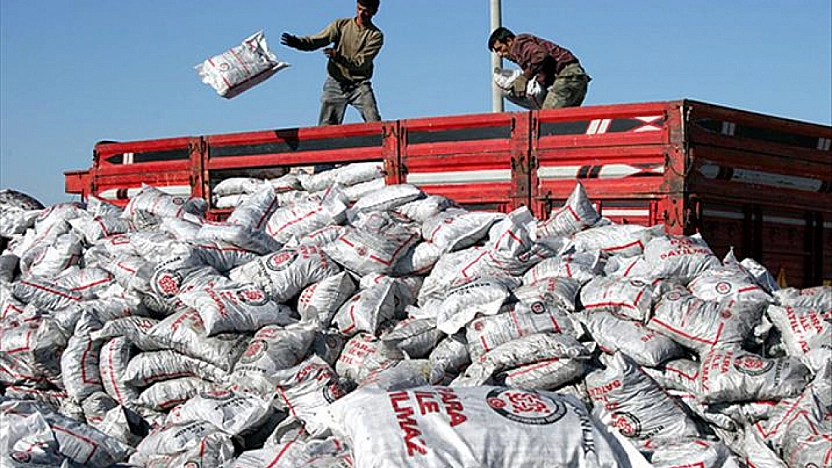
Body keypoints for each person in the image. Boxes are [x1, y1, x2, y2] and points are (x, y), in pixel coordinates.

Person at [281, 0, 384, 126]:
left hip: (359, 84)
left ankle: (382, 144)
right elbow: (317, 41)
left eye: (366, 10)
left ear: (374, 12)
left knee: (374, 120)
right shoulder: (341, 25)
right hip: (336, 82)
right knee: (326, 126)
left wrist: (339, 58)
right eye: (359, 9)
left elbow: (361, 63)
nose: (361, 13)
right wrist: (297, 43)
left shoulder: (375, 36)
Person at [488, 27, 591, 110]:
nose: (500, 54)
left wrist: (524, 78)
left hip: (568, 77)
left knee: (547, 118)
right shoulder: (523, 53)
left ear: (509, 41)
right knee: (561, 123)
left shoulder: (519, 43)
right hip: (576, 79)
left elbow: (540, 55)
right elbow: (545, 69)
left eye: (500, 49)